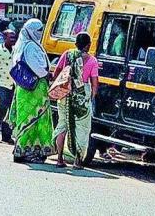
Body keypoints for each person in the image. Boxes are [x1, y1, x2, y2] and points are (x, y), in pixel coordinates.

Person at [8, 19, 55, 163]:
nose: (41, 33)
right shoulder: (30, 47)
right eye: (39, 30)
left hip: (26, 88)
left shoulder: (24, 45)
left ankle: (27, 151)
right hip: (34, 89)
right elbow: (36, 67)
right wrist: (47, 74)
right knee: (33, 120)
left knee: (28, 118)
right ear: (31, 31)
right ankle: (26, 152)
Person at [53, 32, 99, 169]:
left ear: (75, 44)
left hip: (65, 93)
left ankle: (59, 159)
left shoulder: (67, 54)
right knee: (82, 129)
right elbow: (95, 82)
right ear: (88, 45)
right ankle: (77, 161)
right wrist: (91, 97)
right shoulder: (92, 60)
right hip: (82, 96)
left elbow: (57, 73)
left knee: (62, 124)